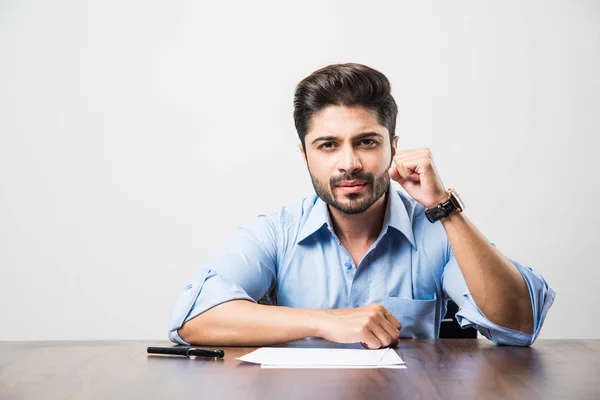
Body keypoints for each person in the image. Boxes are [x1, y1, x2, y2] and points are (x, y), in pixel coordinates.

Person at [169, 63, 555, 349]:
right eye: (328, 145)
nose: (349, 162)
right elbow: (194, 318)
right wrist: (327, 323)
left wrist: (444, 207)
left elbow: (518, 326)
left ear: (393, 147)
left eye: (367, 142)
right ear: (305, 154)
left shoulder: (437, 230)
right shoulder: (275, 232)